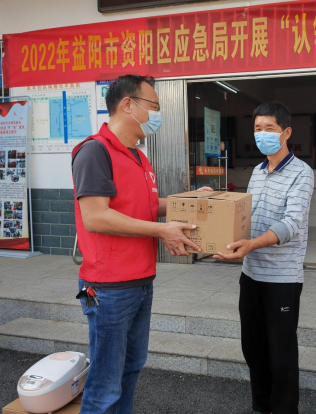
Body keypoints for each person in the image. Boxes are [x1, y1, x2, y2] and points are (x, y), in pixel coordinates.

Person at [72, 74, 207, 414]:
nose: (157, 115)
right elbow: (96, 217)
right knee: (105, 383)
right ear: (128, 104)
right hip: (108, 287)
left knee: (130, 368)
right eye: (154, 106)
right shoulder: (95, 152)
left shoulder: (138, 157)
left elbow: (146, 206)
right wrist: (161, 231)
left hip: (140, 280)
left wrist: (187, 200)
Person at [214, 102, 314, 414]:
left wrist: (251, 244)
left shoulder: (302, 173)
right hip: (251, 275)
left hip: (282, 279)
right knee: (253, 348)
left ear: (286, 133)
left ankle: (284, 409)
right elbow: (247, 217)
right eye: (258, 129)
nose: (262, 134)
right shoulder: (257, 172)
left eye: (269, 128)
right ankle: (261, 406)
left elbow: (291, 224)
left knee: (281, 354)